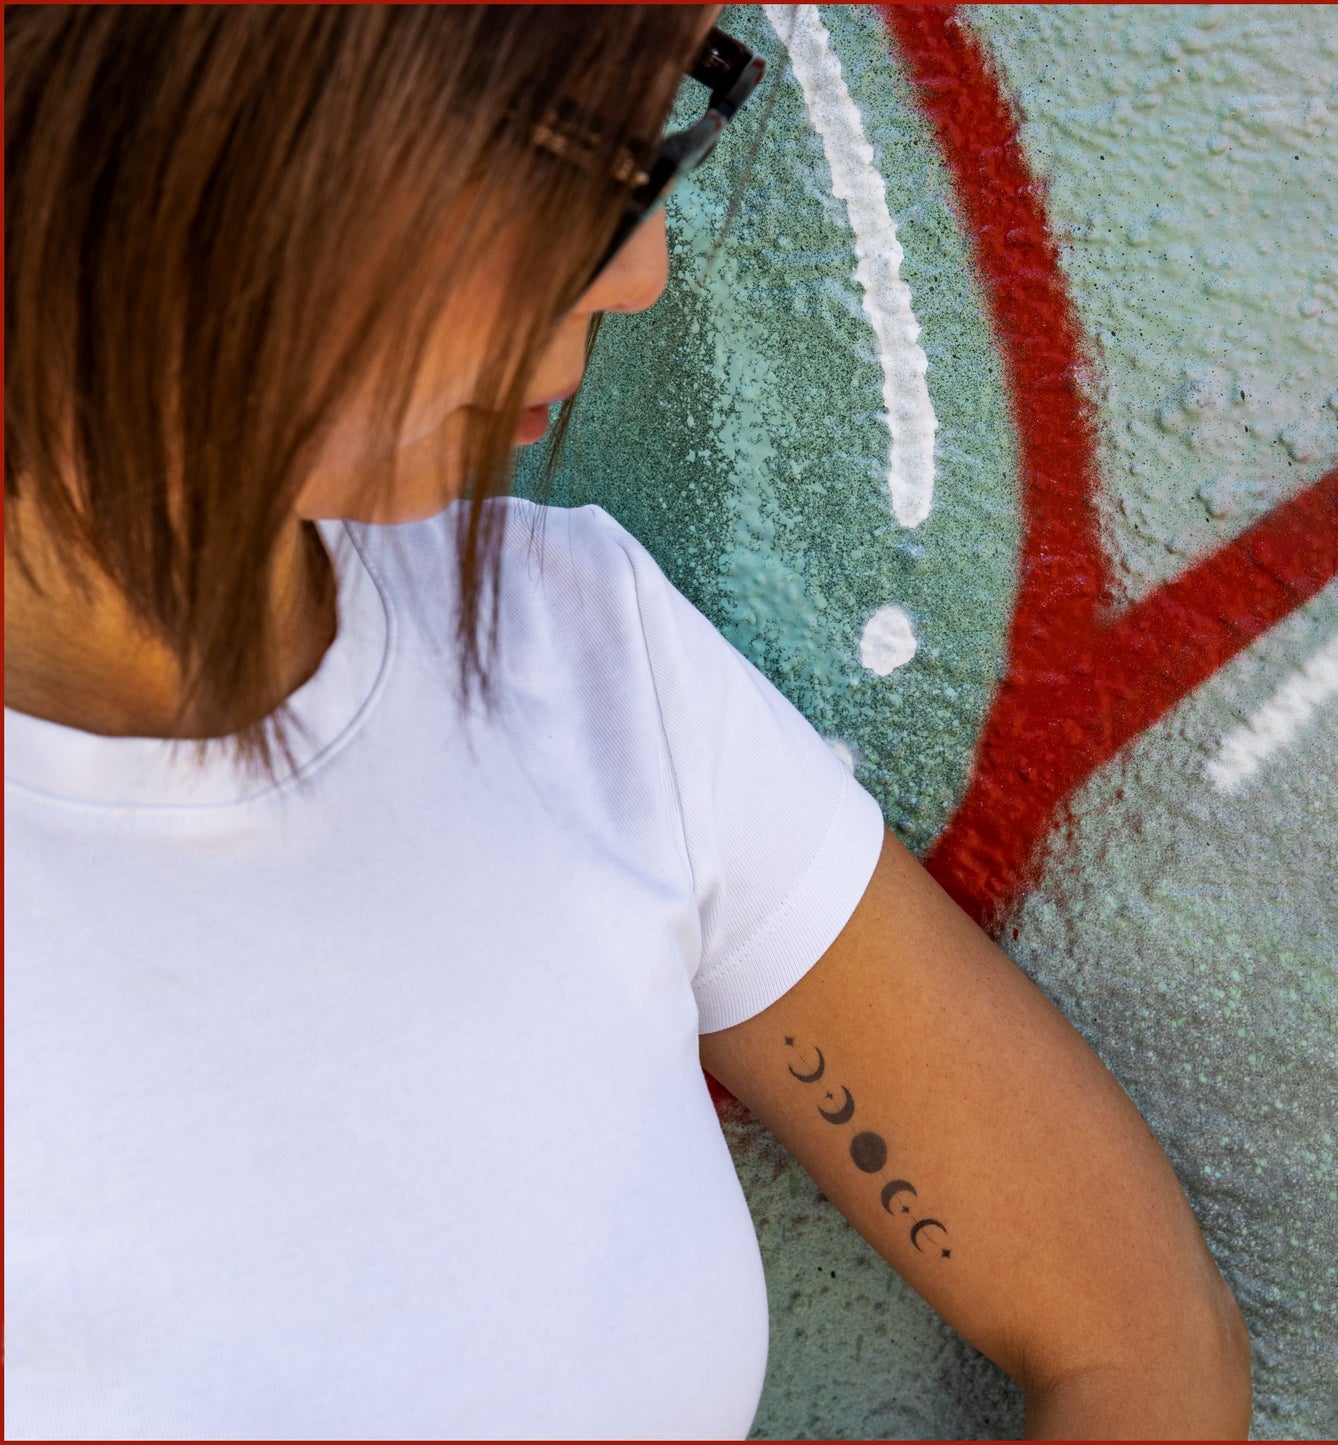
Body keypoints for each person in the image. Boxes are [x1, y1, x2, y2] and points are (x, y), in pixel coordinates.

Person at [4, 6, 1252, 1440]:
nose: (644, 267)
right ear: (183, 122)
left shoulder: (580, 657)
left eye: (657, 121)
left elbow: (1138, 1330)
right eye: (562, 146)